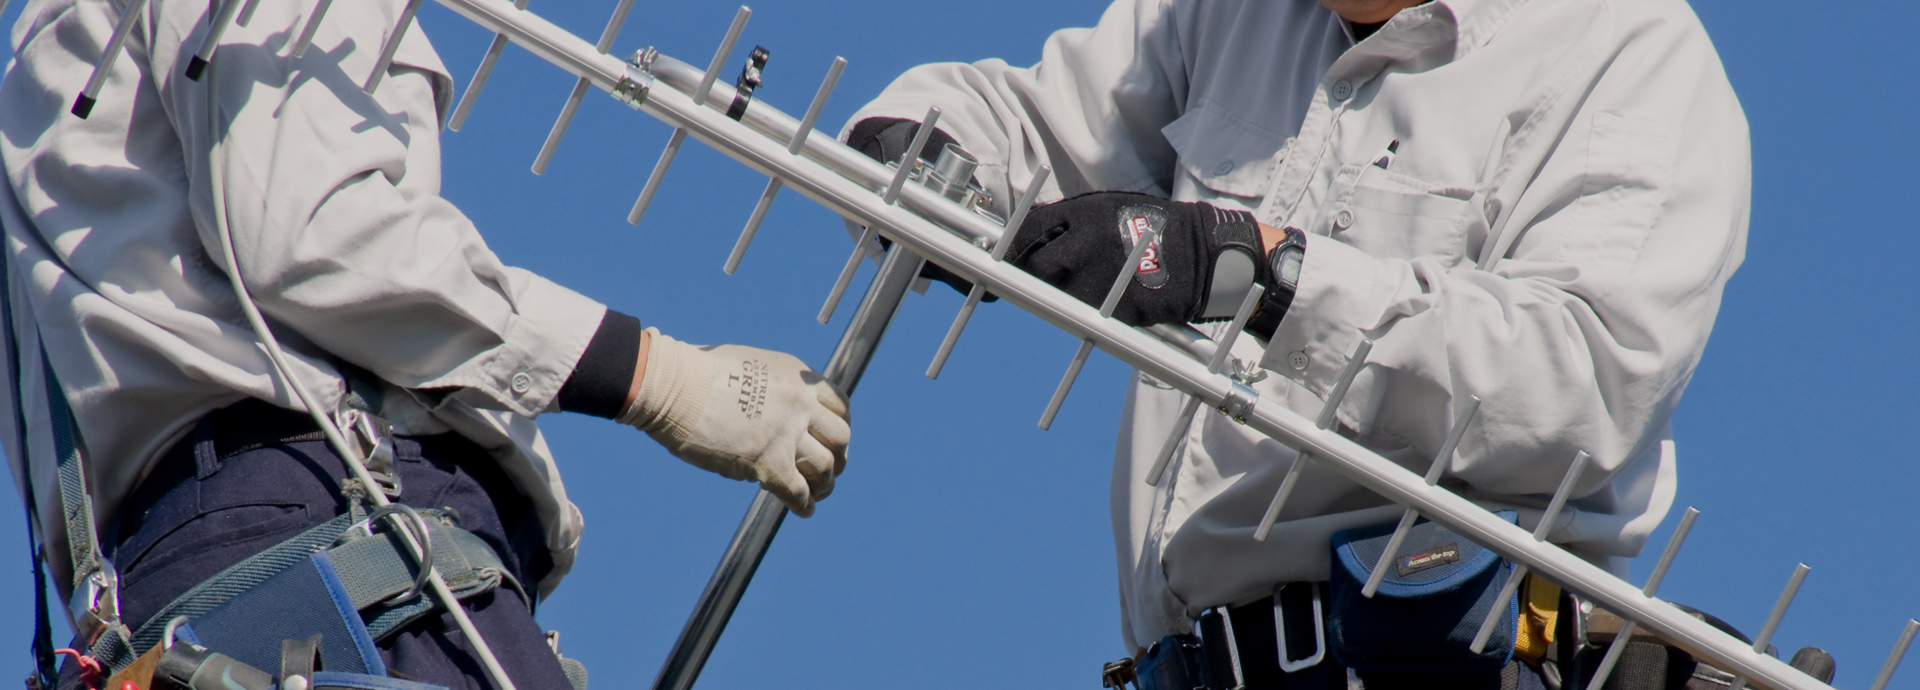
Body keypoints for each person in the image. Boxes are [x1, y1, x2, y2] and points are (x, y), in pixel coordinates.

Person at [842, 0, 1747, 686]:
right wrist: (928, 151)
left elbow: (1576, 385)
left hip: (1438, 659)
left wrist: (1259, 274)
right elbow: (1045, 121)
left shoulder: (1624, 49)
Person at [0, 0, 852, 687]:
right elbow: (317, 236)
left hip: (166, 590)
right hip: (337, 538)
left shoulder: (37, 68)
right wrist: (659, 377)